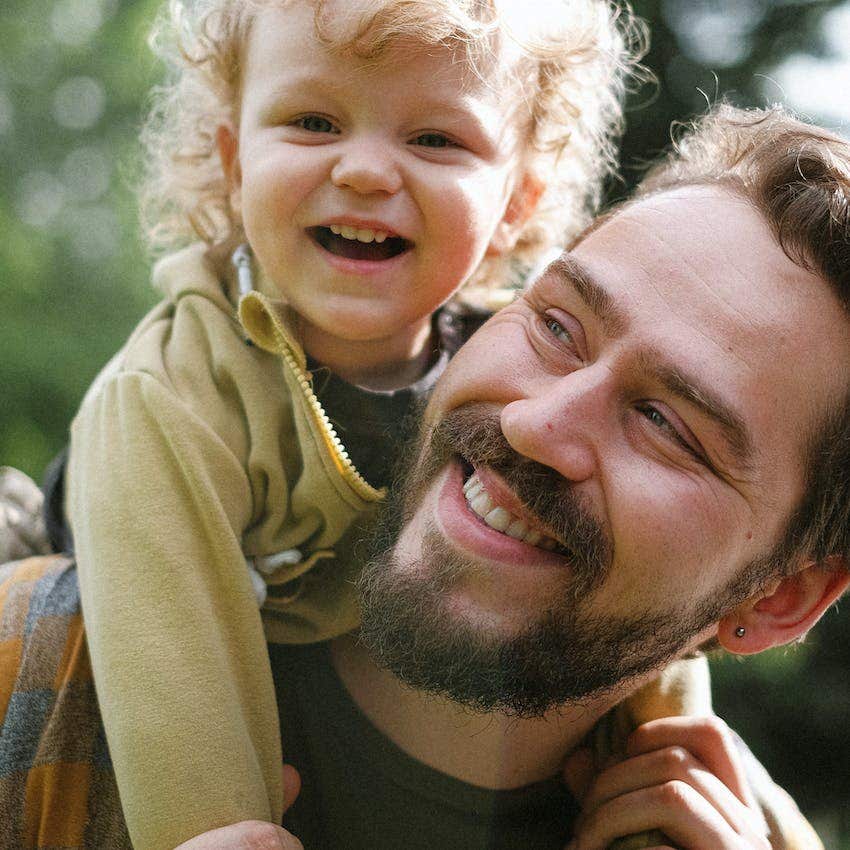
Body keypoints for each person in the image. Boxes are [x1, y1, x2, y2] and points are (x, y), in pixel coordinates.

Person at [2, 102, 845, 850]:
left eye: (667, 424)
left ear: (781, 598)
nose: (533, 424)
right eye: (557, 326)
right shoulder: (26, 672)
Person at [30, 2, 655, 849]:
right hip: (135, 589)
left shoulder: (516, 379)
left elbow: (647, 587)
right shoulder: (169, 395)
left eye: (434, 139)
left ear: (517, 201)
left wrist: (669, 746)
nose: (363, 171)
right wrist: (212, 824)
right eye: (313, 122)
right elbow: (167, 667)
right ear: (235, 163)